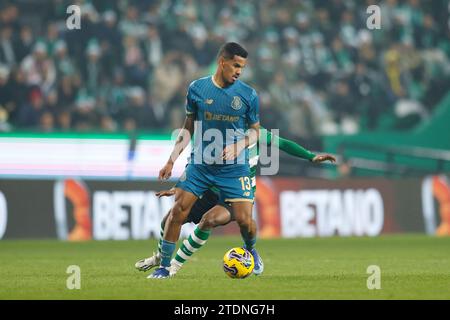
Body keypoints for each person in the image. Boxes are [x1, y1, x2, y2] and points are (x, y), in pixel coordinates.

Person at [135, 127, 336, 276]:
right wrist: (181, 187)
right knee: (168, 219)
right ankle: (161, 258)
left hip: (237, 194)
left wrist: (311, 157)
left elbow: (283, 143)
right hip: (211, 191)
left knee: (210, 220)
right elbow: (196, 164)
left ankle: (173, 267)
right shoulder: (214, 136)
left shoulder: (255, 133)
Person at [148, 42, 261, 279]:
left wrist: (239, 145)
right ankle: (164, 268)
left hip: (234, 167)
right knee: (177, 211)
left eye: (243, 67)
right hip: (200, 164)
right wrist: (171, 161)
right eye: (236, 65)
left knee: (244, 220)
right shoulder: (197, 89)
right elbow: (187, 127)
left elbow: (255, 131)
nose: (239, 71)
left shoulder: (248, 95)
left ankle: (251, 250)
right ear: (223, 62)